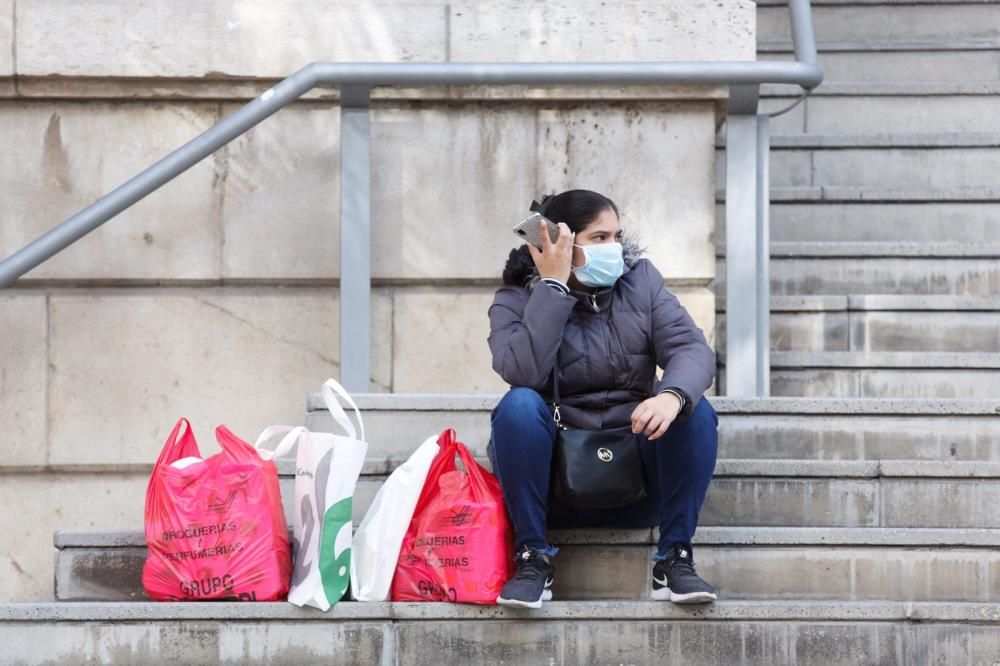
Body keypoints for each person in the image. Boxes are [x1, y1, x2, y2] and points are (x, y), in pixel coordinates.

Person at [487, 189, 719, 609]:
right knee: (518, 406)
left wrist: (670, 395)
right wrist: (553, 288)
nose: (612, 248)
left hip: (638, 473)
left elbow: (692, 349)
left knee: (695, 410)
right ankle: (532, 558)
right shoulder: (516, 298)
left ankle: (674, 558)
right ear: (560, 242)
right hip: (557, 484)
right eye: (599, 238)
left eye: (616, 236)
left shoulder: (641, 281)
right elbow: (521, 372)